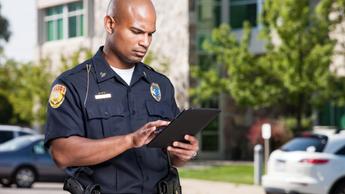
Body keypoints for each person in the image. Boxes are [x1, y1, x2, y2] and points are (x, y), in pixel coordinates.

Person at [44, 0, 199, 193]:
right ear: (110, 24)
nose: (145, 42)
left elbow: (171, 157)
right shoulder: (74, 84)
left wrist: (183, 154)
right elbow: (62, 154)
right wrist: (130, 141)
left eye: (150, 34)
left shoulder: (161, 85)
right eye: (136, 32)